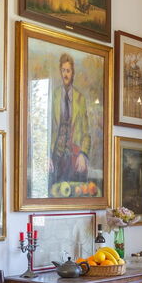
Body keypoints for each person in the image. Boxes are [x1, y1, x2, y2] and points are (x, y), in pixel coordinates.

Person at [50, 52, 90, 187]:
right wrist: (46, 155)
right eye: (63, 71)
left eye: (68, 71)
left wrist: (83, 154)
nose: (65, 74)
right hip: (55, 157)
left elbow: (86, 133)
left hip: (73, 157)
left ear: (73, 73)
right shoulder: (53, 96)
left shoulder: (80, 99)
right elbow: (46, 128)